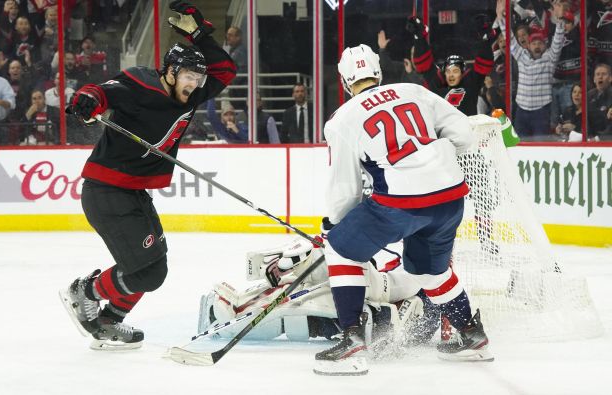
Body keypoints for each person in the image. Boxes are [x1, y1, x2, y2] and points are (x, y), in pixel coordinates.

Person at [59, 1, 236, 350]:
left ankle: (108, 322)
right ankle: (85, 292)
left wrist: (199, 33)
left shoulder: (192, 95)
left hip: (134, 193)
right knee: (147, 272)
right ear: (170, 71)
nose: (195, 84)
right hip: (107, 191)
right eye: (188, 76)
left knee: (156, 268)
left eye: (198, 78)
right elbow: (100, 92)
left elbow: (226, 70)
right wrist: (86, 101)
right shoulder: (141, 83)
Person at [313, 44, 492, 376]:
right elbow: (465, 134)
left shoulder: (342, 120)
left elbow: (345, 189)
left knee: (340, 247)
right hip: (451, 197)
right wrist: (431, 161)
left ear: (344, 81)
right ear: (378, 73)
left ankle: (351, 339)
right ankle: (471, 335)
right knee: (430, 271)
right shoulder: (414, 90)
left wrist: (333, 226)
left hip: (403, 202)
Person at [197, 237, 440, 355]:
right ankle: (240, 305)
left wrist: (325, 251)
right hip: (370, 301)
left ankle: (237, 315)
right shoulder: (417, 276)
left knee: (320, 279)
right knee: (308, 281)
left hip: (377, 300)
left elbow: (397, 286)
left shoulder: (418, 288)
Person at [497, 6, 565, 138]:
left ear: (545, 46)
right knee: (520, 146)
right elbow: (509, 38)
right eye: (534, 43)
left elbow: (558, 39)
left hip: (541, 111)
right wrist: (500, 17)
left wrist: (560, 19)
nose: (537, 46)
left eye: (540, 43)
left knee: (541, 147)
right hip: (521, 111)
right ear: (528, 45)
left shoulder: (550, 59)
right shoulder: (521, 56)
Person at [409, 14, 495, 116]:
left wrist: (485, 41)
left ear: (462, 73)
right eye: (448, 71)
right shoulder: (437, 84)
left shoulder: (471, 84)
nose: (451, 75)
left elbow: (484, 64)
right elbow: (423, 65)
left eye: (455, 71)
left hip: (466, 129)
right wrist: (419, 38)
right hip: (442, 131)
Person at [587, 63, 612, 140]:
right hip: (591, 138)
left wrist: (599, 138)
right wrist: (589, 137)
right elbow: (586, 119)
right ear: (594, 79)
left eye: (603, 74)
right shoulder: (589, 95)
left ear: (610, 78)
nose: (600, 77)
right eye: (597, 74)